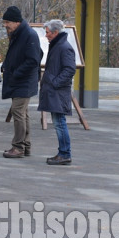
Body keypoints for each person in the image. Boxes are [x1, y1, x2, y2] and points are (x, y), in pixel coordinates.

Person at [1, 6, 42, 158]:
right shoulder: (19, 34)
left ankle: (18, 147)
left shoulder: (29, 35)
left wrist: (16, 73)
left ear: (17, 22)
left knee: (18, 113)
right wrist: (6, 66)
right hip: (20, 80)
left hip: (23, 81)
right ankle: (25, 146)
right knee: (23, 114)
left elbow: (33, 60)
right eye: (4, 22)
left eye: (7, 22)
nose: (5, 25)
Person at [38, 19, 76, 165]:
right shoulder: (58, 45)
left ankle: (65, 153)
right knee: (59, 122)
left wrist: (55, 83)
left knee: (60, 123)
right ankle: (63, 153)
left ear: (55, 32)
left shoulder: (63, 47)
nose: (46, 35)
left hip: (58, 92)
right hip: (56, 91)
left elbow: (69, 69)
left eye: (47, 32)